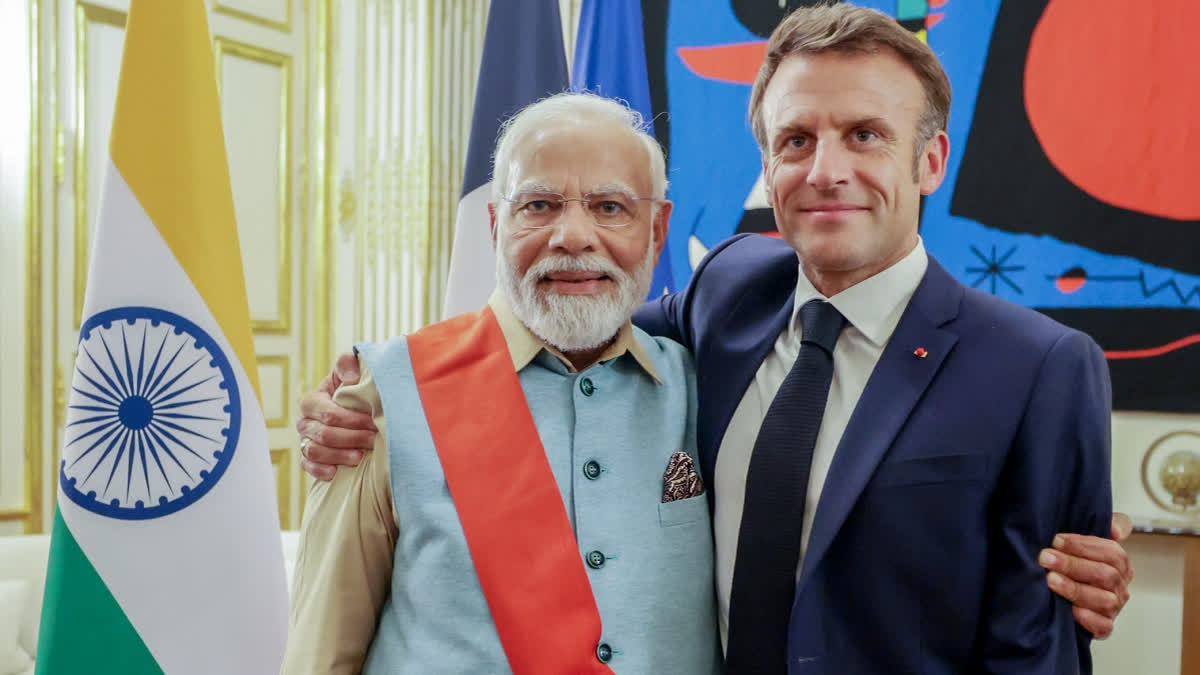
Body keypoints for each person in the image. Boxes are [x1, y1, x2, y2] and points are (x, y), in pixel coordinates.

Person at [298, 4, 1136, 672]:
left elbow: (1043, 637)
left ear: (930, 161)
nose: (825, 169)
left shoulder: (1040, 367)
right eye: (796, 140)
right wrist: (376, 386)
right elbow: (569, 312)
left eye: (866, 135)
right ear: (766, 166)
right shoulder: (728, 298)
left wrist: (1094, 571)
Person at [282, 92, 721, 674]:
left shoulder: (706, 388)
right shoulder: (385, 393)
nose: (573, 236)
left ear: (658, 229)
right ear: (496, 225)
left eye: (610, 207)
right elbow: (321, 648)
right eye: (538, 205)